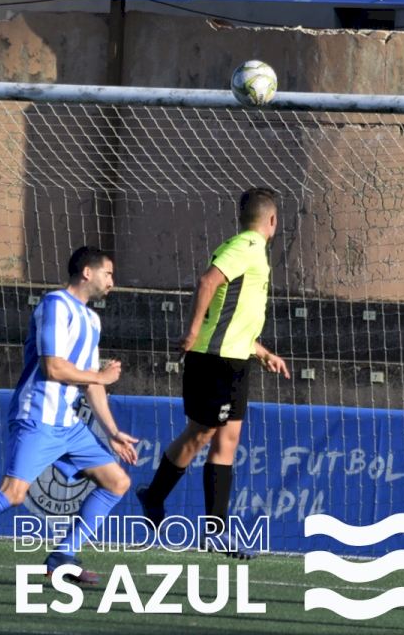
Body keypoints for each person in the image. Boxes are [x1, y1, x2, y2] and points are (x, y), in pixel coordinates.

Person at [0, 247, 137, 584]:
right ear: (87, 272)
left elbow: (90, 383)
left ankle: (61, 557)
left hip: (67, 424)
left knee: (117, 482)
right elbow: (53, 368)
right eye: (108, 273)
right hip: (37, 415)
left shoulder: (92, 320)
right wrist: (100, 376)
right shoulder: (55, 305)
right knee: (13, 492)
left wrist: (112, 431)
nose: (112, 281)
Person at [136, 187, 291, 558]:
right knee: (202, 434)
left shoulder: (253, 251)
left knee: (227, 440)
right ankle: (154, 495)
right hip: (214, 359)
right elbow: (208, 282)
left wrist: (262, 352)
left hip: (236, 359)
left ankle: (215, 531)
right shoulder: (246, 247)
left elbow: (234, 314)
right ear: (272, 220)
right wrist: (191, 331)